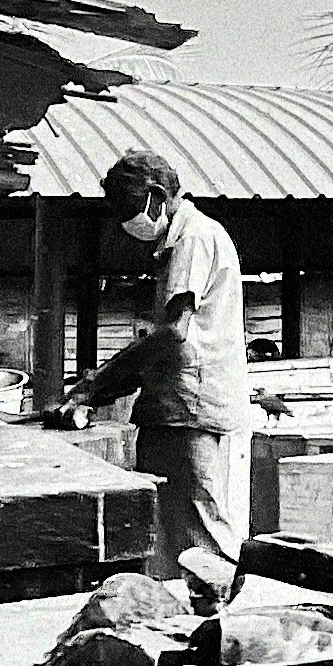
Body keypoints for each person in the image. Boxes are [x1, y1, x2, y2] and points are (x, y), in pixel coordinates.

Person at [61, 150, 247, 577]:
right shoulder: (176, 244)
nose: (128, 226)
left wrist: (100, 380)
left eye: (130, 213)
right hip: (172, 407)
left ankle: (218, 622)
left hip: (191, 408)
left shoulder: (194, 238)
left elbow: (172, 333)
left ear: (157, 197)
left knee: (201, 532)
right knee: (162, 530)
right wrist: (107, 385)